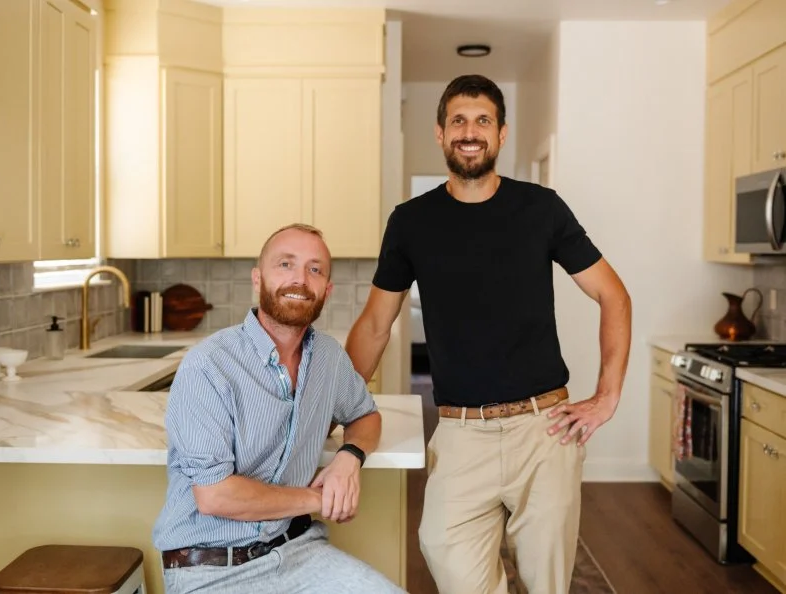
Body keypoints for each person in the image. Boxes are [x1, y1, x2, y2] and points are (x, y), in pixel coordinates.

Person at [346, 74, 632, 594]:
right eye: (458, 120)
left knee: (547, 584)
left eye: (483, 121)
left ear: (501, 133)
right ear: (440, 133)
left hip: (545, 430)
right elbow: (374, 325)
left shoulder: (541, 208)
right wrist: (335, 402)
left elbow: (613, 295)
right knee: (442, 547)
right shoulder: (411, 222)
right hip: (460, 433)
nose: (470, 131)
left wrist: (607, 397)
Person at [152, 223, 404, 594]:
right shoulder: (208, 365)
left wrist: (349, 458)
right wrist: (321, 499)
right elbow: (215, 494)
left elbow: (365, 415)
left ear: (326, 290)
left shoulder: (329, 358)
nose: (299, 279)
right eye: (285, 264)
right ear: (258, 278)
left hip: (299, 553)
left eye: (314, 269)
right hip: (211, 569)